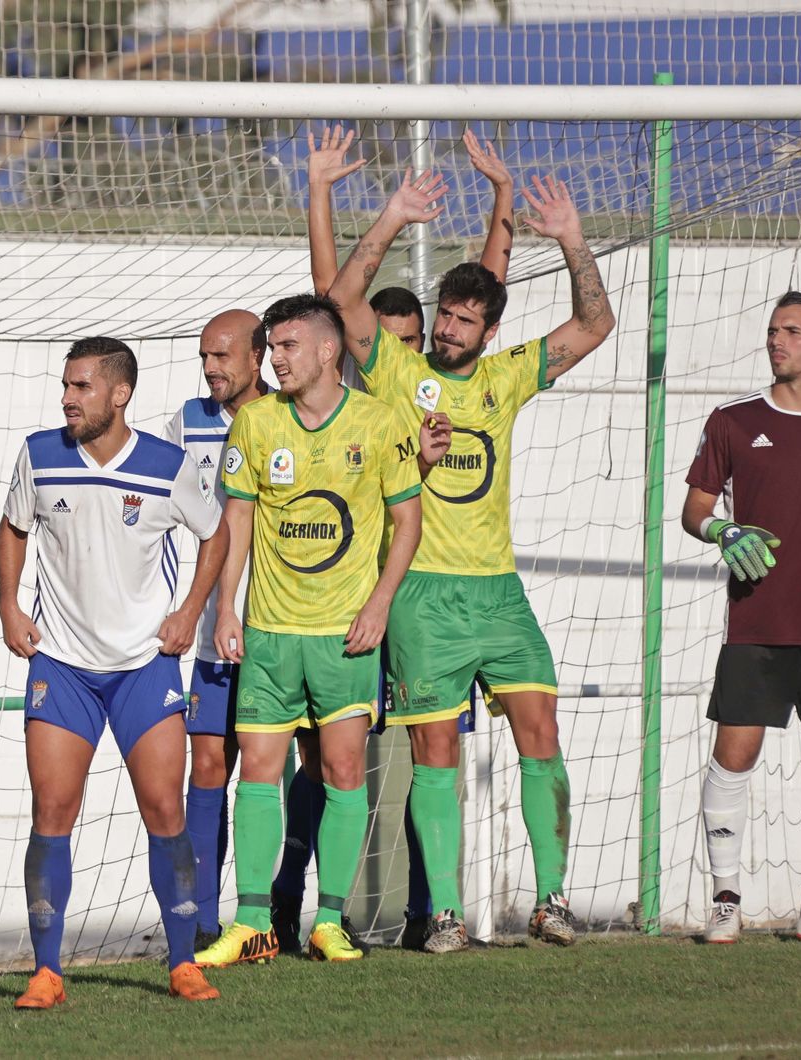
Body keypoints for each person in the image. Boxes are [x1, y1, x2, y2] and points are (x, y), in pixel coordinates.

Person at [328, 163, 616, 952]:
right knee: (434, 748)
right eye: (444, 317)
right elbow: (343, 300)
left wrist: (572, 241)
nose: (450, 331)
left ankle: (553, 900)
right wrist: (391, 216)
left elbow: (594, 325)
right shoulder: (396, 371)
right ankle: (445, 913)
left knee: (541, 729)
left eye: (464, 322)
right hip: (423, 595)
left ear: (489, 332)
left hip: (498, 594)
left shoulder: (506, 377)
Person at [306, 124, 516, 950]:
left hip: (429, 602)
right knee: (326, 766)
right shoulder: (368, 389)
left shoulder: (433, 378)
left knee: (426, 759)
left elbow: (485, 293)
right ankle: (314, 914)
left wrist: (503, 202)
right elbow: (330, 288)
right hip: (361, 591)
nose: (398, 349)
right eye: (380, 341)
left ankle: (436, 911)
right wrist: (324, 192)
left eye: (411, 337)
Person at [0, 336, 229, 1007]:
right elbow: (12, 528)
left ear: (119, 394)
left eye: (81, 388)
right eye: (66, 387)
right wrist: (10, 606)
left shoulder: (166, 465)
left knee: (164, 809)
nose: (67, 399)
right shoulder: (40, 455)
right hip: (62, 664)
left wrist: (190, 612)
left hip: (143, 667)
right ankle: (47, 971)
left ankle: (183, 963)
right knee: (52, 811)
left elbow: (215, 532)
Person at [194, 294, 422, 969]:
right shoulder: (257, 425)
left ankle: (330, 920)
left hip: (344, 634)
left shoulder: (380, 424)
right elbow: (236, 520)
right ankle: (252, 923)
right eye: (273, 346)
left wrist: (381, 602)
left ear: (328, 351)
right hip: (269, 633)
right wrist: (226, 609)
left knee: (344, 771)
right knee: (258, 773)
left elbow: (406, 522)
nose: (277, 359)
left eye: (289, 346)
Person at [681, 291, 801, 944]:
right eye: (772, 330)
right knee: (733, 755)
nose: (777, 340)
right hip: (755, 626)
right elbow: (694, 509)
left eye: (792, 331)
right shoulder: (733, 422)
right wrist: (722, 530)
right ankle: (726, 902)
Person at [163, 309, 271, 951]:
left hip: (288, 628)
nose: (210, 368)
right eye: (204, 356)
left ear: (257, 357)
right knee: (208, 763)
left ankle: (277, 908)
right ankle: (202, 918)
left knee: (289, 767)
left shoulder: (290, 417)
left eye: (223, 356)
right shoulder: (188, 423)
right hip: (212, 631)